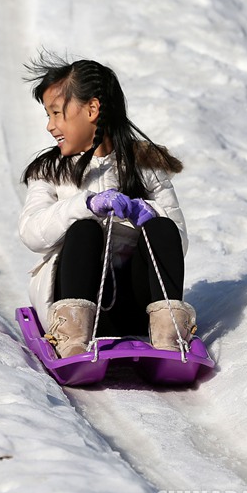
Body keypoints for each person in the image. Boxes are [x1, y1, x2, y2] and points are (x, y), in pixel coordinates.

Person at [18, 56, 195, 358]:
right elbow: (31, 232)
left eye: (56, 113)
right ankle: (72, 340)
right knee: (84, 229)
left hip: (137, 307)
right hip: (74, 303)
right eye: (48, 115)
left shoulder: (145, 166)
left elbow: (177, 242)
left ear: (92, 110)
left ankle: (168, 336)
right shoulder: (50, 170)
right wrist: (84, 204)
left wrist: (148, 213)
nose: (50, 126)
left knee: (162, 227)